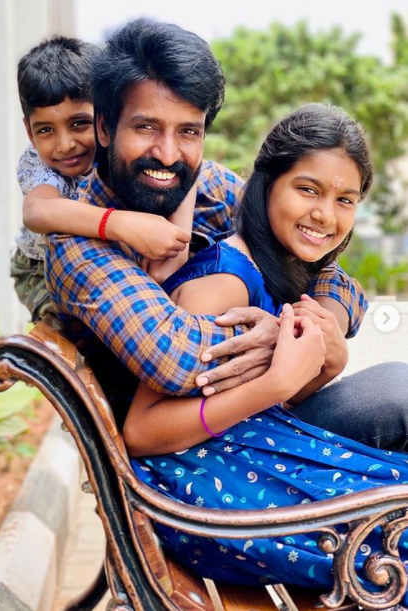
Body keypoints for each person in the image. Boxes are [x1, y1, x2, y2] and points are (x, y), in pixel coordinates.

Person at [45, 19, 408, 445]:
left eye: (188, 132)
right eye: (146, 127)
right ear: (105, 128)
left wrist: (322, 330)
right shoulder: (77, 242)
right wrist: (290, 337)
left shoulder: (205, 185)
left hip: (249, 422)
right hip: (192, 460)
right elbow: (177, 356)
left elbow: (323, 265)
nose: (167, 152)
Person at [123, 104, 408, 598]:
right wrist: (279, 382)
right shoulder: (225, 285)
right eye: (308, 189)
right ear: (266, 183)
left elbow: (257, 400)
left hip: (248, 459)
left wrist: (323, 369)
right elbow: (141, 431)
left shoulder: (281, 268)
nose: (326, 214)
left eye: (345, 199)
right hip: (209, 499)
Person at [11, 35, 192, 322]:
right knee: (74, 337)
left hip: (109, 252)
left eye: (78, 123)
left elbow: (187, 176)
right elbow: (37, 211)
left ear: (104, 120)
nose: (65, 144)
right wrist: (119, 224)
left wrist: (178, 250)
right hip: (41, 267)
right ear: (29, 132)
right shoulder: (40, 166)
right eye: (45, 130)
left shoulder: (120, 147)